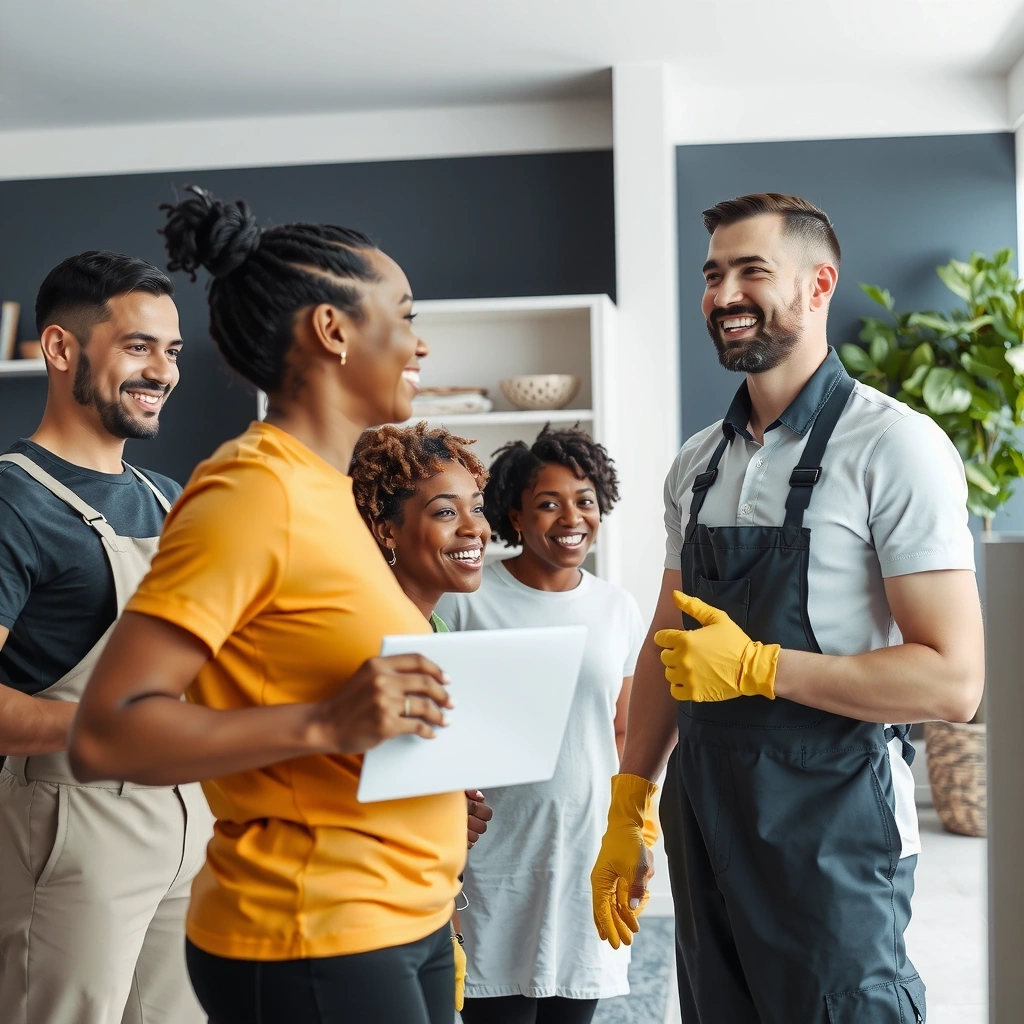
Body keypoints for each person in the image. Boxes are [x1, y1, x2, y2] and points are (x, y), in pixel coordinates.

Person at [69, 186, 465, 1024]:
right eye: (403, 312)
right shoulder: (250, 493)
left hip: (409, 912)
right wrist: (327, 725)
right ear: (333, 330)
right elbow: (107, 733)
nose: (420, 338)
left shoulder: (333, 493)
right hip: (313, 928)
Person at [591, 193, 985, 1024]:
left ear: (818, 286)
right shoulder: (695, 465)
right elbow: (668, 642)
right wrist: (630, 796)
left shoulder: (895, 447)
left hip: (835, 830)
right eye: (712, 275)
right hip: (705, 820)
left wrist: (760, 668)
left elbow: (953, 681)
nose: (724, 293)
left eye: (751, 271)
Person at [0, 251, 212, 1024]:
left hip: (188, 819)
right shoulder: (13, 500)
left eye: (173, 350)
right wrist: (123, 725)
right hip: (71, 825)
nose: (163, 370)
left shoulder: (171, 500)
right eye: (137, 346)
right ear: (62, 350)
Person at [436, 424, 652, 1024]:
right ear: (515, 515)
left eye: (584, 501)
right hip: (495, 850)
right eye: (549, 503)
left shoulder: (617, 608)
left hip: (585, 847)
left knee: (572, 1008)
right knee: (490, 1005)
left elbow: (622, 732)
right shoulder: (467, 599)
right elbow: (431, 725)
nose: (571, 517)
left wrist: (635, 830)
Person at [349, 420, 497, 1012]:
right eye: (444, 512)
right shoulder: (370, 632)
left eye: (477, 508)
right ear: (387, 531)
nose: (474, 530)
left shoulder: (432, 629)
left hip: (425, 902)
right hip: (366, 916)